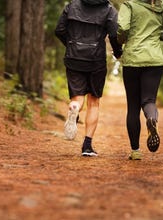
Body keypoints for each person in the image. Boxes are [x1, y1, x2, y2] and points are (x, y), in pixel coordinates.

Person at [55, 0, 122, 157]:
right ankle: (87, 146)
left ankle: (74, 107)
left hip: (74, 57)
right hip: (95, 60)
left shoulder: (72, 5)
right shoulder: (109, 10)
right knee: (94, 102)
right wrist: (118, 52)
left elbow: (59, 30)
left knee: (77, 98)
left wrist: (71, 45)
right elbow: (114, 34)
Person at [117, 0, 163, 160]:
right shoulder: (160, 6)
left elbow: (122, 28)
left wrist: (122, 40)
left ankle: (135, 151)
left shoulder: (128, 5)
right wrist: (155, 35)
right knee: (149, 100)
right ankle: (152, 119)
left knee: (133, 107)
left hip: (133, 59)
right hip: (154, 59)